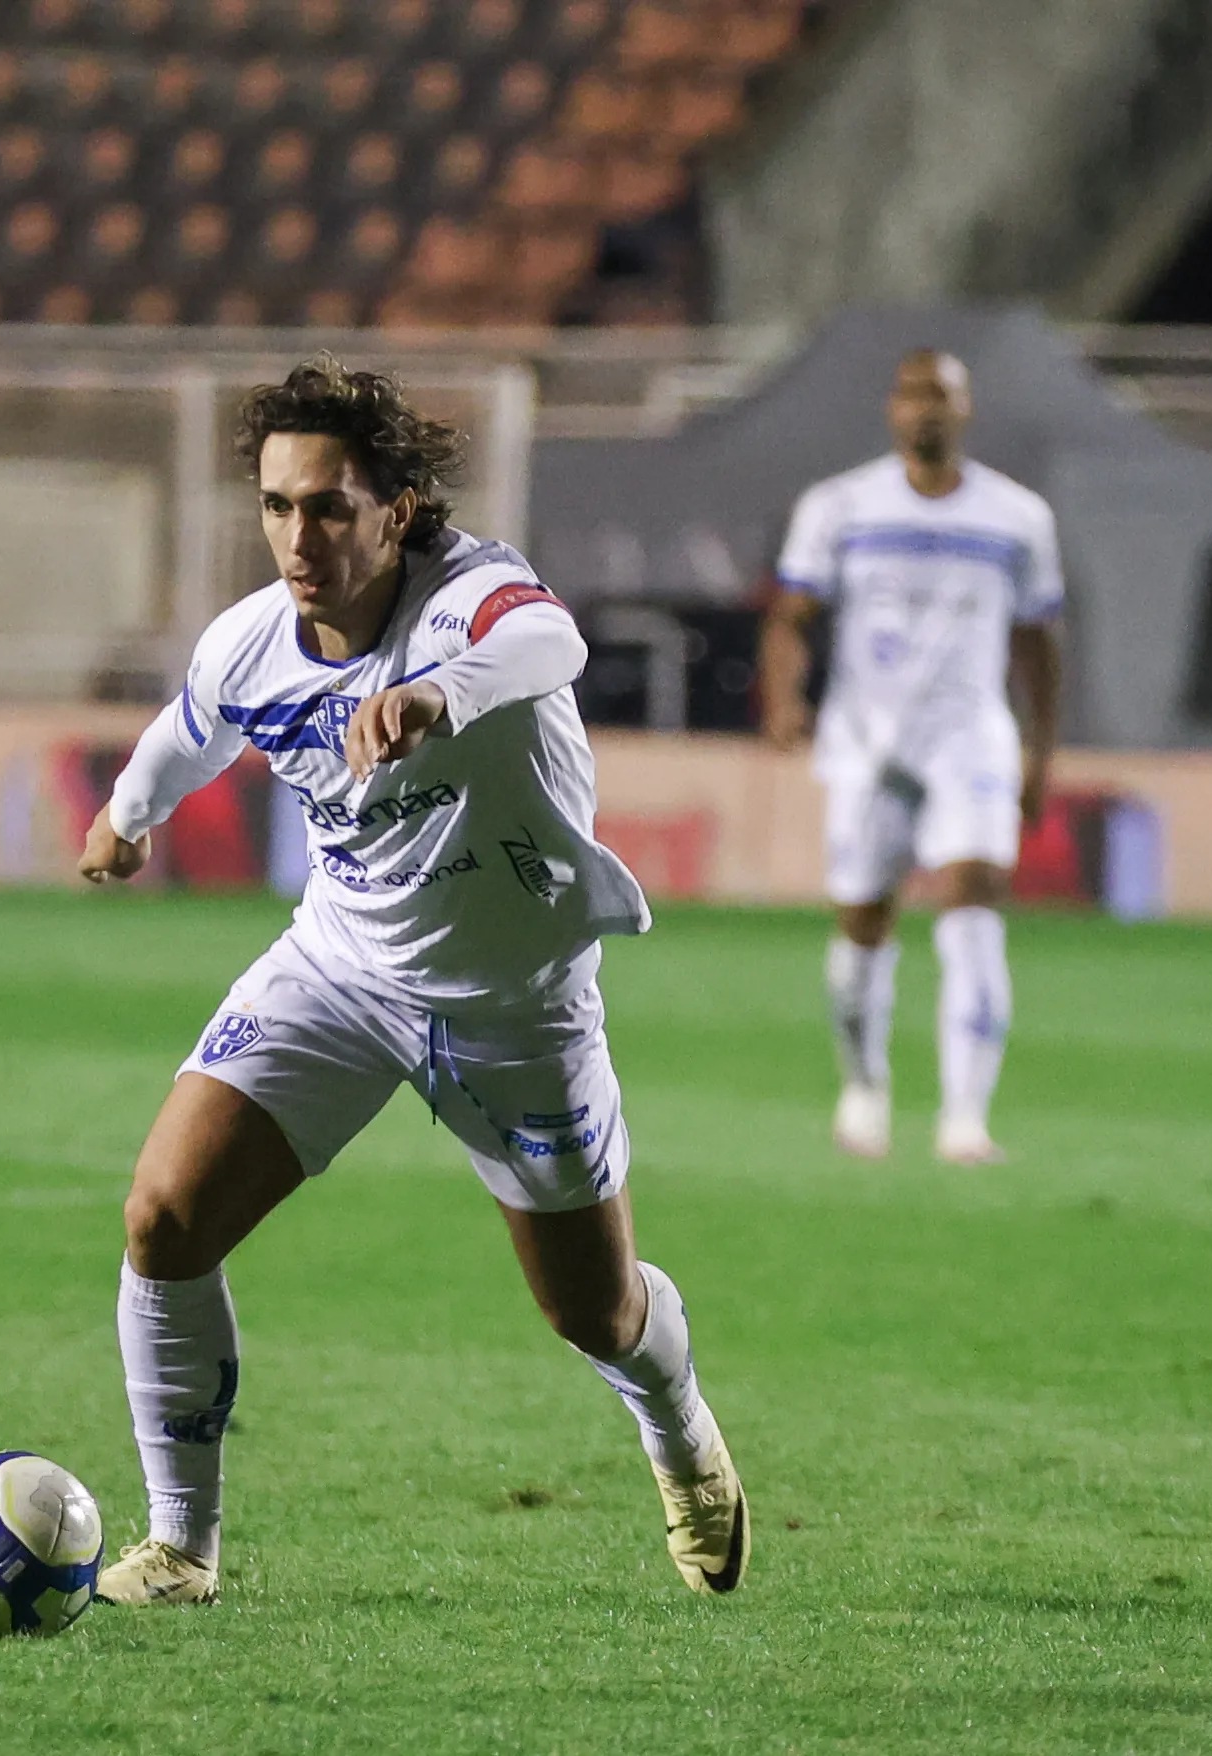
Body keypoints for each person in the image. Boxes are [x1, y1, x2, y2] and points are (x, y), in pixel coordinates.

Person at [77, 356, 747, 1606]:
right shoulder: (251, 641)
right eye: (277, 506)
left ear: (396, 510)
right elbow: (192, 723)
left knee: (592, 1314)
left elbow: (552, 638)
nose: (299, 535)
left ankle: (680, 1433)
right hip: (339, 971)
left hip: (514, 1008)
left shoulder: (469, 596)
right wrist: (126, 816)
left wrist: (437, 693)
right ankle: (181, 1541)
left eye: (329, 505)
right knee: (163, 1218)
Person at [757, 349, 1063, 1165]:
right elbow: (790, 614)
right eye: (911, 394)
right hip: (868, 740)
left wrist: (1042, 751)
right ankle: (863, 1087)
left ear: (965, 411)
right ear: (891, 409)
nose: (925, 409)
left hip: (971, 738)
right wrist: (784, 697)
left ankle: (965, 1118)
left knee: (973, 901)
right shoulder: (840, 507)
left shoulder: (1016, 517)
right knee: (862, 919)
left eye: (941, 396)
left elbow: (1037, 642)